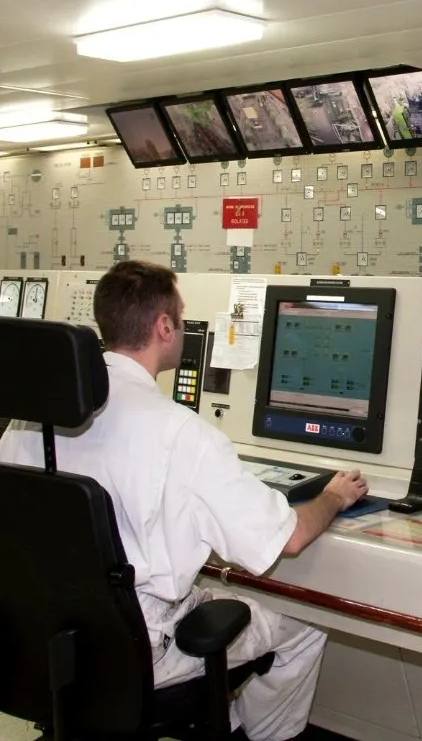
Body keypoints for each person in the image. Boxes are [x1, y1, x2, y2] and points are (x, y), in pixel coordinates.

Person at [0, 260, 368, 741]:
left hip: (48, 651)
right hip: (144, 657)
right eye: (181, 315)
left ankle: (221, 720)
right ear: (164, 327)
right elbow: (291, 538)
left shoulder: (29, 425)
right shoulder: (183, 435)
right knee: (303, 626)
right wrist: (334, 497)